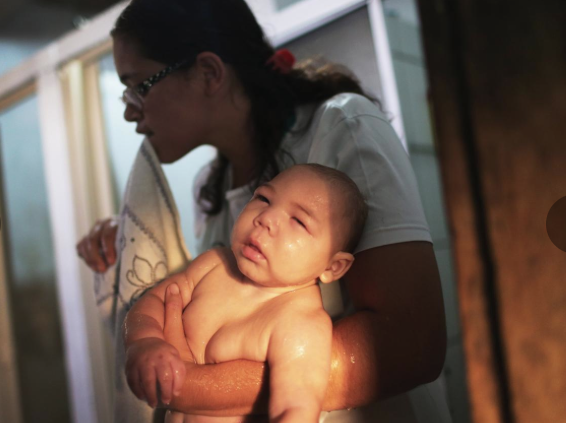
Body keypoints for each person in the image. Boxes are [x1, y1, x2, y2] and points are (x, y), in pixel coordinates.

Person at [76, 0, 450, 422]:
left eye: (139, 86)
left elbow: (410, 342)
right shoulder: (209, 188)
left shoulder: (342, 126)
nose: (129, 110)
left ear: (209, 72)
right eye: (264, 200)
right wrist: (129, 241)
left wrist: (187, 387)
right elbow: (211, 305)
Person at [124, 164, 367, 423]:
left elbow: (296, 410)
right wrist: (145, 341)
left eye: (298, 220)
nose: (266, 218)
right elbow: (154, 301)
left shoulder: (301, 325)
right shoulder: (214, 264)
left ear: (332, 267)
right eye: (263, 198)